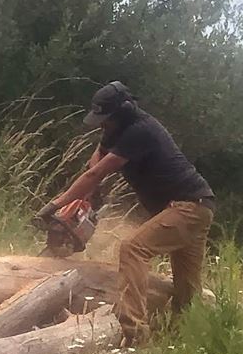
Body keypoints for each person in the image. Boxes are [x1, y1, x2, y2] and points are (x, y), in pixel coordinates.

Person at [39, 81, 214, 340]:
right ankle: (180, 337)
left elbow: (99, 172)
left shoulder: (140, 131)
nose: (102, 124)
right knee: (186, 288)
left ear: (120, 113)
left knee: (133, 249)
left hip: (189, 207)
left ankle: (133, 330)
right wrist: (88, 194)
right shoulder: (115, 128)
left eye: (105, 119)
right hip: (192, 208)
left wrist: (58, 203)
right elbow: (96, 163)